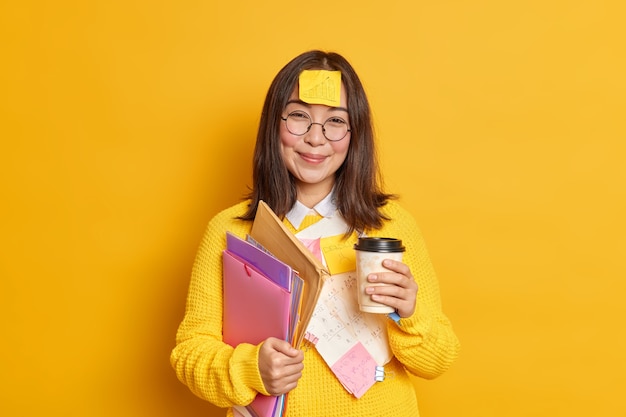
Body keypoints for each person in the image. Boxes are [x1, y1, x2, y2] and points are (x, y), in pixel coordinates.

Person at [170, 50, 460, 417]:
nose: (316, 138)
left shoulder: (391, 227)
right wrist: (250, 368)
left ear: (355, 134)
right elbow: (189, 352)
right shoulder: (232, 231)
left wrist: (410, 313)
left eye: (335, 121)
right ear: (274, 124)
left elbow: (438, 360)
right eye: (298, 117)